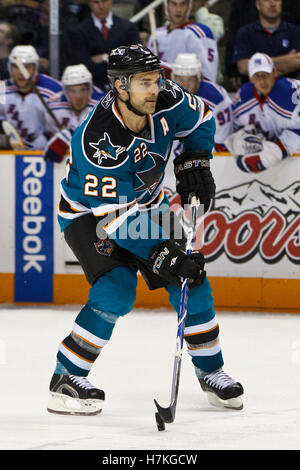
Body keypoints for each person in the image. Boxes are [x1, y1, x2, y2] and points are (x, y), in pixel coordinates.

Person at [47, 44, 244, 417]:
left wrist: (194, 159)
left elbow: (202, 118)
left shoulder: (166, 97)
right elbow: (115, 222)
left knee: (191, 279)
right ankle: (65, 379)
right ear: (120, 87)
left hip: (146, 205)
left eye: (155, 79)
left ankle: (211, 371)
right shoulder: (97, 143)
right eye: (143, 83)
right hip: (89, 214)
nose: (154, 89)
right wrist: (163, 253)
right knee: (117, 289)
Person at [225, 52, 300, 173]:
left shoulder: (292, 92)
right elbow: (238, 128)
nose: (262, 81)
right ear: (250, 78)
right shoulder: (242, 98)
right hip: (274, 168)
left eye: (265, 75)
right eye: (257, 76)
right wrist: (246, 137)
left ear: (275, 72)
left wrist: (277, 150)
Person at [0, 45, 62, 150]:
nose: (21, 72)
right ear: (10, 68)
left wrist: (46, 139)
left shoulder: (53, 90)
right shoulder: (2, 90)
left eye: (27, 67)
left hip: (46, 151)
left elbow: (66, 124)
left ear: (35, 68)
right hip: (12, 152)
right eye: (16, 67)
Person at [68, 0, 141, 90]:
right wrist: (119, 59)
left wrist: (104, 58)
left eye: (104, 1)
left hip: (124, 88)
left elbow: (136, 59)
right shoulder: (79, 31)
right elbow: (82, 65)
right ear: (89, 3)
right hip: (93, 89)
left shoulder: (128, 27)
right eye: (96, 2)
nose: (101, 6)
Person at [171, 53, 233, 151]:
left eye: (190, 80)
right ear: (173, 78)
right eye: (181, 79)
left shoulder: (217, 98)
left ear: (198, 78)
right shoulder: (166, 96)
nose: (185, 86)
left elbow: (222, 142)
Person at [44, 64, 105, 163]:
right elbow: (47, 134)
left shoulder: (102, 107)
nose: (78, 97)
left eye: (83, 90)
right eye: (72, 91)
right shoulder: (54, 106)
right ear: (65, 92)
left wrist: (68, 136)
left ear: (90, 89)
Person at [148, 0, 219, 82]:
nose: (178, 9)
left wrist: (164, 68)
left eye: (183, 4)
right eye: (174, 4)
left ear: (189, 7)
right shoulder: (156, 34)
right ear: (166, 6)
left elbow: (208, 77)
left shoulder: (200, 33)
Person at [233, 0, 300, 80]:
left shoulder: (296, 32)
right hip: (255, 90)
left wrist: (257, 64)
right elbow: (243, 67)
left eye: (276, 0)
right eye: (267, 0)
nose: (272, 4)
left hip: (290, 89)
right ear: (258, 4)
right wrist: (286, 62)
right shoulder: (245, 32)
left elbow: (297, 61)